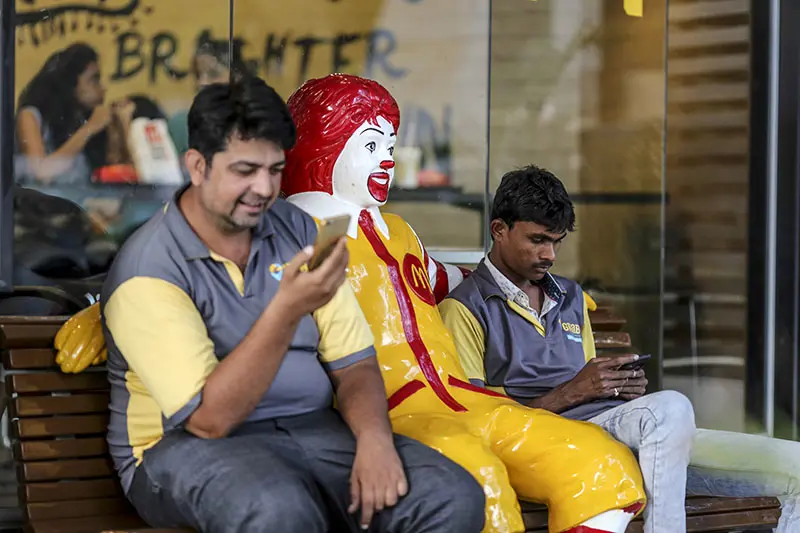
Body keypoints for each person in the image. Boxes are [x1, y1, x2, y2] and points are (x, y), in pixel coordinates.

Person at [100, 75, 486, 533]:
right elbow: (208, 420)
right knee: (279, 509)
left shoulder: (298, 229)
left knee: (449, 495)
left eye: (274, 170)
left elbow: (355, 363)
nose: (264, 189)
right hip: (181, 450)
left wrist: (375, 439)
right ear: (198, 166)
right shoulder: (150, 267)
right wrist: (285, 311)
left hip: (315, 431)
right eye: (245, 170)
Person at [282, 73, 647, 533]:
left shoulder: (397, 231)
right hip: (388, 411)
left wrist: (547, 287)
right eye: (371, 145)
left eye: (391, 146)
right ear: (323, 144)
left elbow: (444, 278)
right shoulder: (297, 236)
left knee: (601, 460)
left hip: (465, 396)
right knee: (481, 482)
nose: (388, 160)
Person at [440, 164, 800, 533]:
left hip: (627, 435)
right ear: (499, 229)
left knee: (796, 466)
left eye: (557, 241)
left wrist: (617, 387)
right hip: (559, 445)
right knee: (671, 407)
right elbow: (475, 420)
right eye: (537, 239)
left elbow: (589, 383)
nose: (549, 253)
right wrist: (573, 392)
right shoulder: (466, 307)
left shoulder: (571, 297)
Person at [15, 43, 133, 185]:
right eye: (94, 79)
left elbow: (116, 172)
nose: (102, 89)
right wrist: (89, 128)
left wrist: (120, 127)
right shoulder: (30, 116)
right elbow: (40, 173)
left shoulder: (80, 119)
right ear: (70, 84)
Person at [167, 31, 249, 155]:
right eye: (197, 74)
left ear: (237, 78)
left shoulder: (257, 125)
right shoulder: (182, 124)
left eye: (213, 74)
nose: (202, 83)